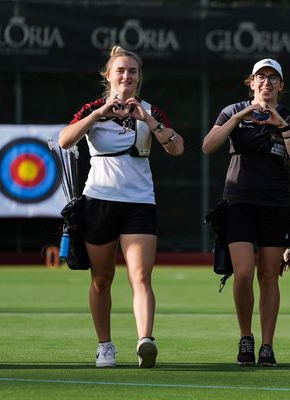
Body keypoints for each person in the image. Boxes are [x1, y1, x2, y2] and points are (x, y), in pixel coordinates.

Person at [58, 45, 184, 368]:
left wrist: (150, 122)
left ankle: (145, 340)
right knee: (101, 279)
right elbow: (64, 140)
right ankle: (105, 346)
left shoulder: (150, 110)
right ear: (109, 75)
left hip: (139, 202)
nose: (126, 76)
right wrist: (99, 114)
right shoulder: (94, 108)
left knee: (141, 277)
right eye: (120, 71)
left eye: (133, 71)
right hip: (98, 201)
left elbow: (177, 148)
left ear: (139, 77)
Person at [202, 59, 290, 367]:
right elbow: (209, 145)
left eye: (273, 78)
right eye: (261, 77)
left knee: (269, 276)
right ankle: (245, 337)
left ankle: (267, 346)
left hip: (275, 205)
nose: (266, 83)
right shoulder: (232, 111)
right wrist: (241, 117)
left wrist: (283, 127)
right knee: (244, 272)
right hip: (238, 203)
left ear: (281, 85)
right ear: (251, 82)